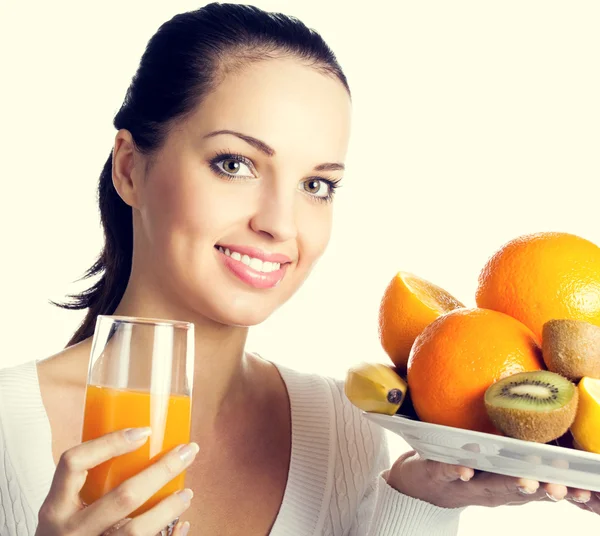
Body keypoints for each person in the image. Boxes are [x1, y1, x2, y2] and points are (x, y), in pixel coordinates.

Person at [1, 3, 598, 535]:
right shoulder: (7, 429)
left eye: (317, 184)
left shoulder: (348, 430)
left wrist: (422, 504)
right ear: (130, 168)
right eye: (234, 164)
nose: (281, 224)